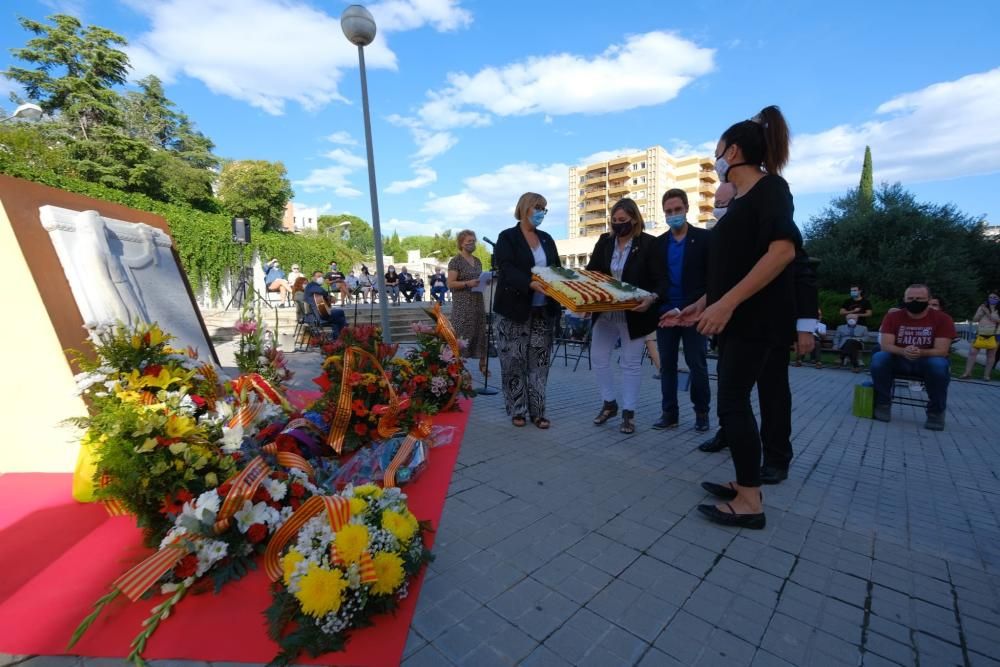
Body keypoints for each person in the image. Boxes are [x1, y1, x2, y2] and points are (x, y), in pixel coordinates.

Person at [666, 105, 799, 529]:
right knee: (735, 402)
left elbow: (782, 251)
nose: (715, 156)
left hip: (755, 320)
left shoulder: (770, 190)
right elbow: (734, 268)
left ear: (735, 150)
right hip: (735, 317)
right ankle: (745, 484)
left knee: (732, 404)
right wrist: (704, 304)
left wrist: (726, 304)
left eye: (718, 148)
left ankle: (750, 502)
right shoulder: (740, 202)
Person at [586, 198, 660, 434]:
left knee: (630, 363)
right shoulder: (604, 242)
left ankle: (629, 413)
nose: (618, 225)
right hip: (606, 312)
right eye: (614, 221)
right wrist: (585, 297)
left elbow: (660, 279)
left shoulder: (648, 244)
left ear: (635, 220)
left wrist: (652, 298)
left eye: (623, 221)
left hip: (634, 314)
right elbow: (592, 272)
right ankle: (609, 403)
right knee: (598, 356)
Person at [494, 193, 561, 429]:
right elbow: (505, 267)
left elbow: (557, 270)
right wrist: (528, 283)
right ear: (524, 208)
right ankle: (517, 409)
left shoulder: (547, 239)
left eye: (545, 208)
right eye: (538, 207)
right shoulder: (508, 237)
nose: (542, 211)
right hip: (513, 311)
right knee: (514, 362)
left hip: (543, 311)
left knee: (539, 364)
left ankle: (538, 411)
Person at [653, 188, 711, 432]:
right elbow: (654, 280)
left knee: (696, 363)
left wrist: (695, 307)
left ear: (687, 208)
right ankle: (670, 414)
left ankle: (702, 413)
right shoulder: (657, 245)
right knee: (666, 365)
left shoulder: (705, 239)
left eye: (677, 210)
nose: (673, 214)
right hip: (666, 314)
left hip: (693, 313)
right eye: (668, 211)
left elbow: (712, 277)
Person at [871, 284, 955, 430]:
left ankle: (936, 412)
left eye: (919, 298)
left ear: (929, 299)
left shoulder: (943, 319)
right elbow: (886, 345)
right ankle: (882, 403)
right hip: (899, 360)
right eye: (910, 298)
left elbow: (942, 350)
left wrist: (921, 352)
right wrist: (904, 351)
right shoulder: (893, 317)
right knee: (879, 358)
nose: (914, 301)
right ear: (904, 299)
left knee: (939, 365)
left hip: (927, 361)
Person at [448, 230, 489, 378]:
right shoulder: (455, 261)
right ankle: (455, 370)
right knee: (460, 336)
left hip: (477, 303)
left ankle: (482, 365)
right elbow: (451, 284)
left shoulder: (477, 261)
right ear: (461, 243)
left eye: (474, 241)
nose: (472, 244)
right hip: (462, 306)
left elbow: (478, 279)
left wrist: (485, 280)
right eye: (469, 241)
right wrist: (467, 283)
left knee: (479, 333)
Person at [960, 292, 999, 380]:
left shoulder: (997, 309)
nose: (991, 299)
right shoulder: (982, 307)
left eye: (994, 297)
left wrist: (987, 312)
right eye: (990, 297)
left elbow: (997, 320)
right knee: (972, 352)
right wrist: (981, 313)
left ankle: (986, 375)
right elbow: (975, 319)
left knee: (991, 355)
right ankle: (967, 373)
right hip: (980, 333)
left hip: (994, 334)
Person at [304, 271, 347, 339]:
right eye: (318, 276)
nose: (321, 278)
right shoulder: (311, 285)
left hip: (318, 313)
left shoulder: (314, 286)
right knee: (340, 314)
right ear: (313, 278)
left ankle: (339, 337)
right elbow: (320, 291)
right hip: (316, 316)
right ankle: (341, 336)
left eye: (321, 277)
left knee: (338, 317)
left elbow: (319, 296)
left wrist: (327, 299)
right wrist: (329, 296)